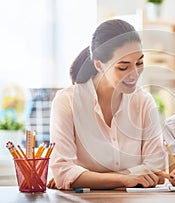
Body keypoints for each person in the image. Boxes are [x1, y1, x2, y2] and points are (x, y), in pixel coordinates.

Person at [48, 19, 166, 190]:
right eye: (123, 67)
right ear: (99, 64)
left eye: (139, 63)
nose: (135, 74)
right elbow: (63, 171)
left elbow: (155, 166)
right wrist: (126, 178)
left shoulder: (144, 102)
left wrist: (85, 176)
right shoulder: (67, 102)